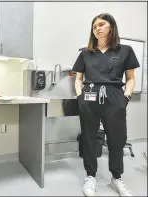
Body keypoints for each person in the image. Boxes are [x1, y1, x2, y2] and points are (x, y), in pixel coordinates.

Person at [72, 13, 140, 196]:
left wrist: (125, 98)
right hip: (90, 96)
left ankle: (116, 178)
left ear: (111, 27)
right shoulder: (85, 53)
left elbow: (131, 79)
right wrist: (80, 97)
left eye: (101, 24)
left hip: (115, 97)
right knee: (89, 137)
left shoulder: (125, 50)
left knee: (117, 139)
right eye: (94, 27)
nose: (97, 29)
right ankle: (90, 176)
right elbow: (78, 79)